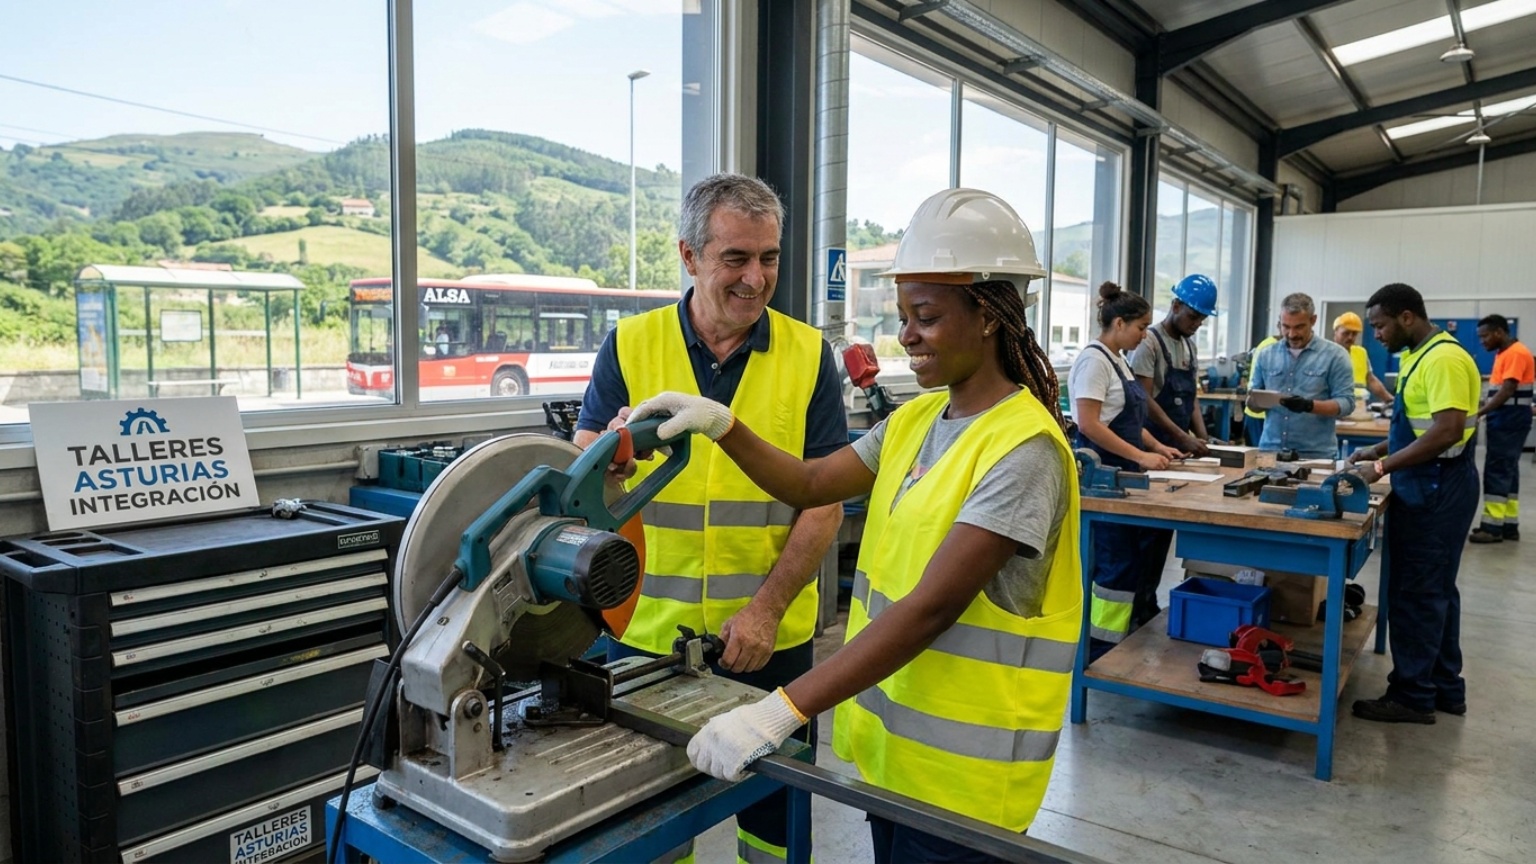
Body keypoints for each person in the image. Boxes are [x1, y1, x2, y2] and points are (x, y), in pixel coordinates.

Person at [633, 188, 1080, 863]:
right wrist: (720, 424)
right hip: (895, 761)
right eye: (903, 316)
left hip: (969, 786)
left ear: (989, 316)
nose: (906, 336)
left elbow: (930, 610)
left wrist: (781, 709)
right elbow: (810, 483)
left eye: (925, 316)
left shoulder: (1024, 452)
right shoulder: (915, 421)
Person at [574, 172, 846, 863]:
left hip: (766, 640)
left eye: (770, 258)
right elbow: (580, 484)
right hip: (641, 633)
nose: (756, 278)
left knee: (774, 822)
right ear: (689, 256)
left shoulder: (811, 356)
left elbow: (823, 505)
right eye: (736, 258)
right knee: (648, 821)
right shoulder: (630, 345)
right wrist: (608, 462)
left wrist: (764, 611)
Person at [1347, 283, 1481, 724]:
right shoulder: (1421, 355)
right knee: (1437, 589)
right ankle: (1444, 687)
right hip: (1430, 479)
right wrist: (1380, 449)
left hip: (1437, 485)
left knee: (1417, 593)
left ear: (1407, 317)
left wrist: (1382, 469)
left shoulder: (1442, 358)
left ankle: (1412, 695)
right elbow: (1420, 427)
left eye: (1381, 325)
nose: (1377, 335)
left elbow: (1446, 431)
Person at [1070, 282, 1183, 658]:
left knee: (1131, 560)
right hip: (1102, 481)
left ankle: (1118, 640)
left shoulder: (1118, 359)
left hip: (1124, 479)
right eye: (1140, 327)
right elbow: (1089, 424)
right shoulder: (1093, 361)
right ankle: (1099, 650)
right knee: (1114, 568)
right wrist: (1139, 455)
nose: (1144, 334)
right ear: (1119, 323)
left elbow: (1126, 417)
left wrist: (1155, 446)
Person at [1129, 273, 1218, 626]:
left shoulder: (1189, 344)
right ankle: (1135, 608)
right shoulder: (1149, 343)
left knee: (1163, 532)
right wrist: (1180, 438)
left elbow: (1191, 399)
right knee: (1144, 536)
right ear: (1176, 305)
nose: (1196, 324)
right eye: (1193, 316)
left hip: (1177, 452)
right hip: (1150, 448)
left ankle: (1148, 601)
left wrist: (1202, 437)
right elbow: (1144, 401)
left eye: (1201, 319)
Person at [1247, 292, 1356, 460]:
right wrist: (1254, 401)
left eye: (1299, 327)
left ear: (1313, 320)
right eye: (1286, 327)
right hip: (1270, 452)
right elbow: (1253, 401)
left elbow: (1346, 403)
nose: (1291, 334)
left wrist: (1308, 406)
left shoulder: (1335, 356)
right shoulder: (1265, 355)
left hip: (1316, 454)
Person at [1469, 314, 1533, 543]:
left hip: (1509, 418)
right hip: (1507, 417)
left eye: (1485, 336)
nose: (1482, 341)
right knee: (1508, 470)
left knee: (1497, 469)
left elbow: (1506, 390)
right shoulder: (1505, 353)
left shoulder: (1515, 353)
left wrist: (1480, 412)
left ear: (1498, 332)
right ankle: (1508, 524)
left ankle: (1492, 528)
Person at [1333, 311, 1394, 406]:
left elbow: (1370, 380)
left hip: (1359, 407)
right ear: (1336, 332)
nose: (1350, 337)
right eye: (1346, 333)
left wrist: (1389, 399)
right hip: (1336, 407)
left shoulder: (1361, 353)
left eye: (1354, 334)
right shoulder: (1325, 354)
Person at [1242, 323, 1280, 446]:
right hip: (1260, 415)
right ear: (1280, 326)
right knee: (1260, 459)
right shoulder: (1271, 346)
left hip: (1268, 414)